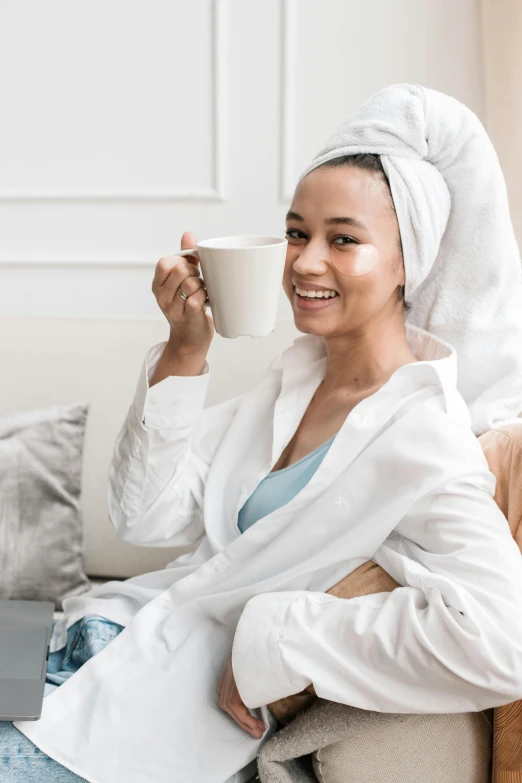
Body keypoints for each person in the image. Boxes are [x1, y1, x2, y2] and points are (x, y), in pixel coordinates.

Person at [4, 83, 522, 783]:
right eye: (298, 231)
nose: (306, 261)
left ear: (408, 263)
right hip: (78, 636)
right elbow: (146, 514)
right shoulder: (292, 381)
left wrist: (278, 635)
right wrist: (186, 350)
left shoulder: (426, 439)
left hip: (144, 714)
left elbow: (502, 641)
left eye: (344, 238)